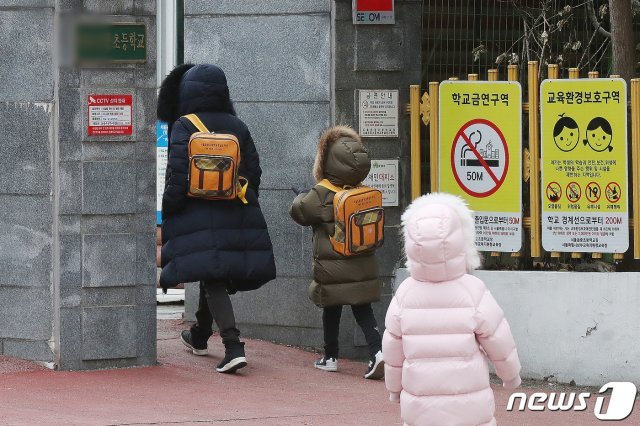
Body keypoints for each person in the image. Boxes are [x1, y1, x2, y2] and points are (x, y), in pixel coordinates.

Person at [157, 64, 276, 374]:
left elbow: (178, 175)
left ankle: (233, 345)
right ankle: (198, 335)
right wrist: (245, 200)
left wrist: (169, 208)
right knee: (216, 272)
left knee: (213, 275)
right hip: (236, 208)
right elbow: (255, 170)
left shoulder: (185, 125)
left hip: (197, 210)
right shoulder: (238, 125)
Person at [383, 193, 522, 425]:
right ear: (462, 241)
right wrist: (510, 375)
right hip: (469, 408)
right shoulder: (472, 290)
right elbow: (499, 337)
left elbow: (393, 348)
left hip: (420, 408)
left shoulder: (405, 294)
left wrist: (394, 389)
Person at [289, 126, 384, 380]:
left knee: (331, 306)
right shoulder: (362, 190)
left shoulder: (323, 191)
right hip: (362, 262)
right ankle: (377, 351)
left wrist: (301, 195)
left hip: (333, 267)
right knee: (362, 308)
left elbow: (300, 212)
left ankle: (330, 356)